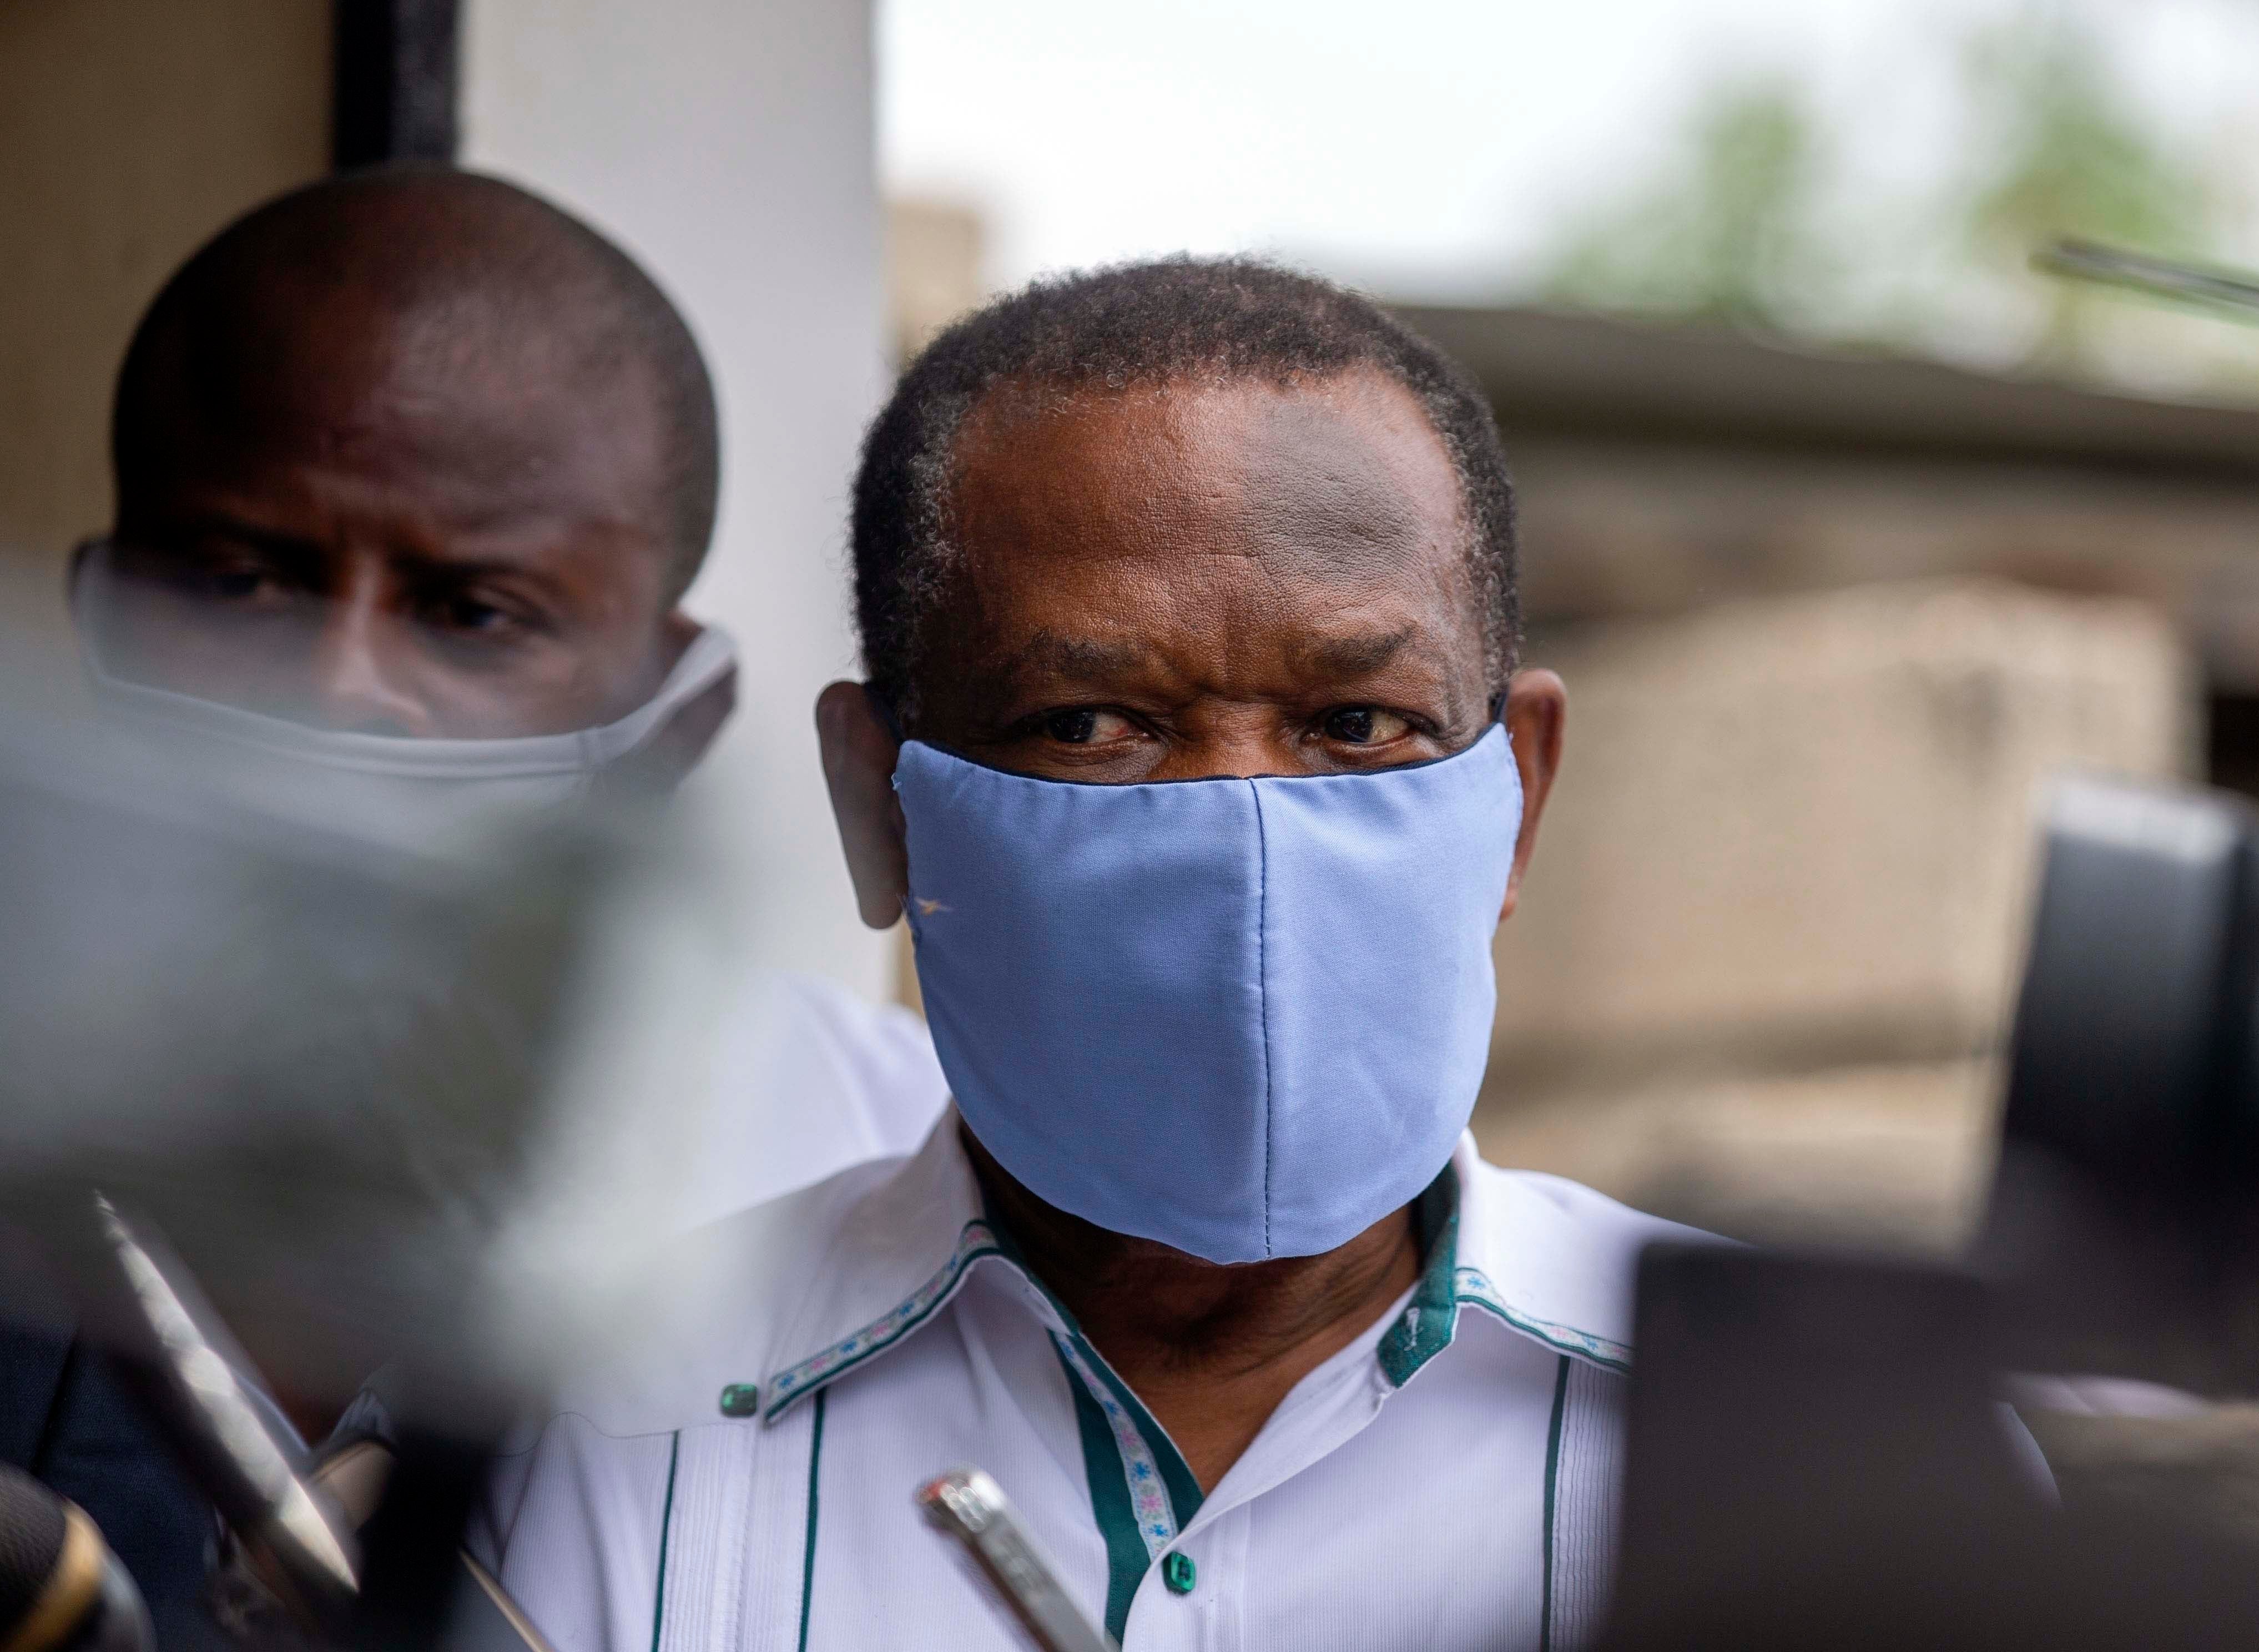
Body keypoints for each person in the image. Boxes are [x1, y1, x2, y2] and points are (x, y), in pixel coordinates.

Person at [476, 258, 1697, 1652]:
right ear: (884, 810)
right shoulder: (581, 1440)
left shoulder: (1791, 1443)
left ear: (1516, 801)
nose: (1241, 836)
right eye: (1089, 724)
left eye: (1357, 724)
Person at [2, 166, 944, 1648]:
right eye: (246, 581)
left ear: (673, 719)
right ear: (105, 620)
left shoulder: (902, 1195)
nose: (342, 687)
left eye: (473, 613)